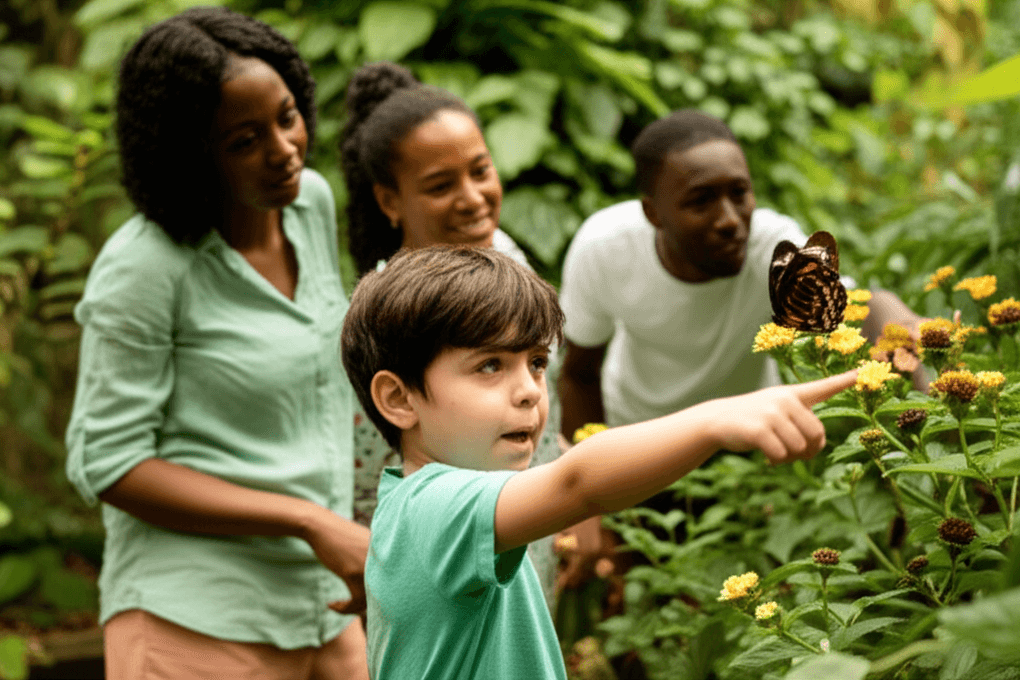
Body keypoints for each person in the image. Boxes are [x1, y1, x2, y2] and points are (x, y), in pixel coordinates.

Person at [339, 245, 857, 679]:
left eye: (537, 363)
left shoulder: (441, 507)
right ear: (399, 399)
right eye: (490, 365)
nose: (528, 392)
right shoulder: (432, 509)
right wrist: (714, 421)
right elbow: (578, 484)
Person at [65, 8, 368, 678]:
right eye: (243, 140)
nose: (285, 149)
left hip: (324, 605)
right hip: (195, 617)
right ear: (190, 153)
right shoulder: (145, 265)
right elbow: (108, 461)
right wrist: (310, 522)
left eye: (287, 117)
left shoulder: (308, 203)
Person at [338, 61, 563, 603]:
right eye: (441, 186)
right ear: (390, 201)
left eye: (480, 170)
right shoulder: (389, 311)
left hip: (534, 529)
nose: (472, 197)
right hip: (439, 562)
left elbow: (543, 398)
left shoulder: (507, 254)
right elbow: (367, 466)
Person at [558, 108, 921, 438]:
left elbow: (855, 308)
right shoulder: (604, 248)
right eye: (701, 201)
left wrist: (897, 317)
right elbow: (579, 374)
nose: (731, 220)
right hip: (640, 436)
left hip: (746, 442)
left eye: (739, 193)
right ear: (653, 214)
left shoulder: (771, 248)